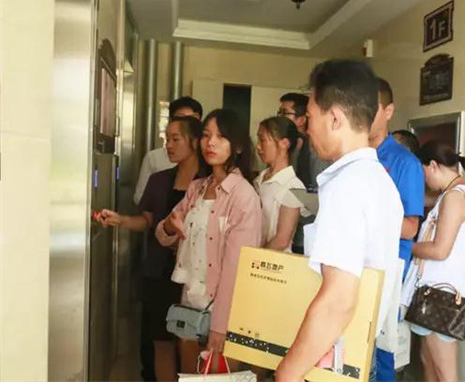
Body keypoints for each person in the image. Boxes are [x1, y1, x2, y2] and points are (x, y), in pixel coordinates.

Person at [275, 60, 403, 382]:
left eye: (310, 117)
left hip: (335, 360)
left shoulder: (347, 185)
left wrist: (286, 373)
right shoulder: (379, 180)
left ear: (334, 118)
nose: (307, 128)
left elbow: (338, 300)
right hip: (358, 353)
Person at [155, 109, 262, 374]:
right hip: (191, 299)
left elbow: (236, 267)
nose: (210, 143)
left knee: (217, 376)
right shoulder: (198, 188)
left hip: (222, 307)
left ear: (238, 146)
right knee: (190, 375)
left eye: (221, 137)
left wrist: (220, 325)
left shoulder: (243, 195)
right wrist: (169, 225)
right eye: (205, 135)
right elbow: (163, 233)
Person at [98, 116, 203, 381]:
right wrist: (121, 220)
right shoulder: (159, 180)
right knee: (161, 341)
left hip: (195, 275)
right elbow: (147, 221)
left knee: (190, 343)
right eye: (167, 139)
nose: (169, 145)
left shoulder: (207, 182)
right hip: (159, 271)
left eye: (175, 139)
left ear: (194, 142)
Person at [400, 141, 465, 382]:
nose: (425, 181)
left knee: (445, 372)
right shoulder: (455, 192)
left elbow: (440, 250)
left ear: (433, 166)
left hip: (441, 296)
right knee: (428, 360)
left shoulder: (454, 197)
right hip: (435, 292)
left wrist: (406, 247)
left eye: (423, 173)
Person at [370, 78, 425, 381]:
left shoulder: (405, 163)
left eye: (371, 109)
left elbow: (409, 228)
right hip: (354, 265)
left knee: (381, 354)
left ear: (388, 111)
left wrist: (366, 214)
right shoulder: (351, 156)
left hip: (387, 272)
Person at [278, 93, 331, 255]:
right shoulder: (284, 145)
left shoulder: (316, 149)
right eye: (279, 112)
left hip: (307, 232)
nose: (279, 117)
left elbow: (318, 192)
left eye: (285, 113)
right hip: (282, 227)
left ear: (302, 120)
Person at [134, 96, 203, 205]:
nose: (169, 145)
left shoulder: (208, 173)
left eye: (193, 119)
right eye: (168, 139)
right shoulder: (155, 162)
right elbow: (142, 201)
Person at [254, 116, 309, 252]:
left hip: (271, 261)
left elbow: (282, 240)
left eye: (262, 140)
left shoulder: (293, 186)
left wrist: (254, 258)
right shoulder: (259, 179)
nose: (258, 146)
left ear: (284, 143)